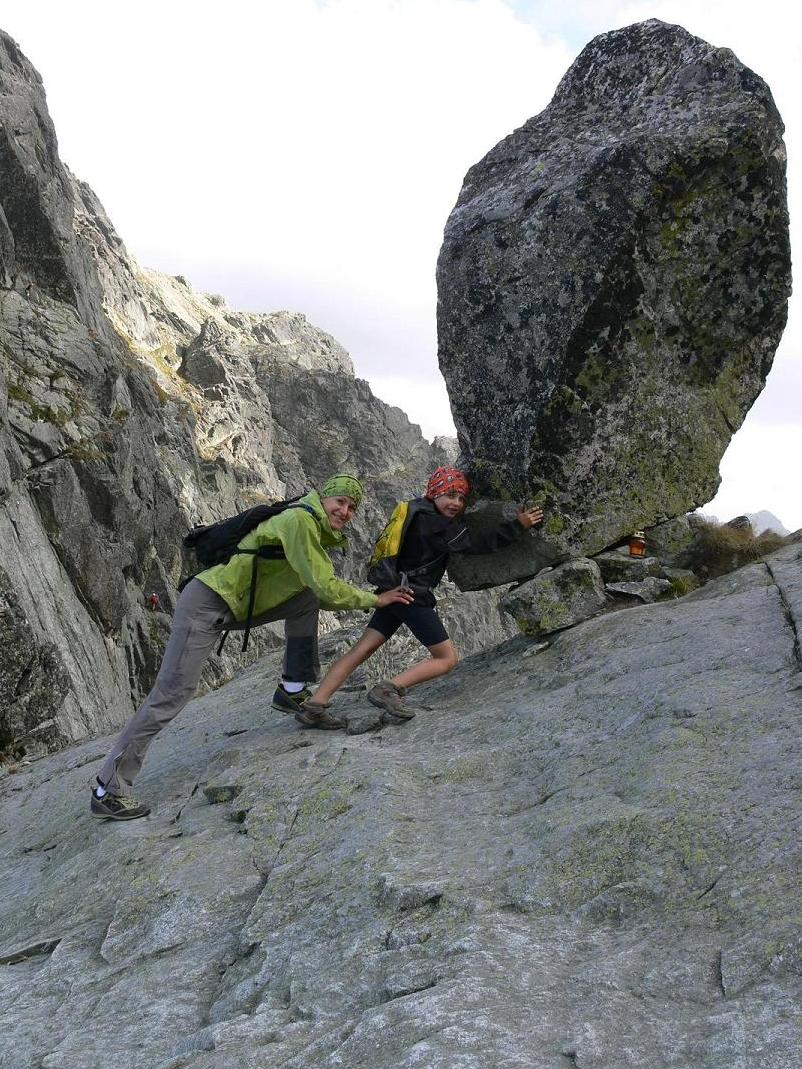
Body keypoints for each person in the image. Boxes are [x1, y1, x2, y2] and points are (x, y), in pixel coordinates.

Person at [90, 474, 413, 820]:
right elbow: (327, 586)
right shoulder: (301, 520)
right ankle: (108, 788)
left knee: (304, 599)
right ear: (323, 498)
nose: (346, 511)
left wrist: (368, 600)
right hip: (206, 605)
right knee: (172, 694)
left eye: (352, 507)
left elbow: (317, 594)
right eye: (340, 502)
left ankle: (292, 687)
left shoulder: (311, 526)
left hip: (232, 607)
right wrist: (376, 600)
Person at [302, 467, 543, 719]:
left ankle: (316, 704)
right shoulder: (435, 524)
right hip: (410, 597)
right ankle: (389, 689)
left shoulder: (416, 512)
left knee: (361, 649)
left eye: (461, 498)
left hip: (392, 591)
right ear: (435, 493)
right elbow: (473, 543)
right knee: (446, 658)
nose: (456, 503)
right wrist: (518, 525)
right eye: (450, 495)